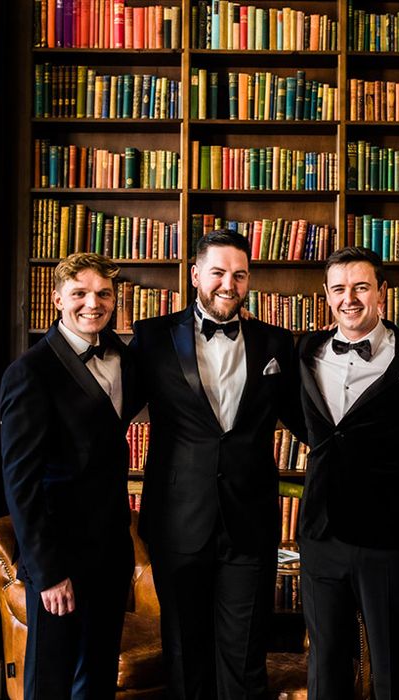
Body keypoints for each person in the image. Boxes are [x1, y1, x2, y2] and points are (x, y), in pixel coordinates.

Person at [130, 228, 303, 699]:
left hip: (250, 521)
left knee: (246, 655)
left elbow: (310, 423)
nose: (229, 283)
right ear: (194, 275)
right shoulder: (151, 338)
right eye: (219, 272)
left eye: (240, 274)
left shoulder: (276, 343)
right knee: (185, 655)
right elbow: (107, 410)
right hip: (177, 520)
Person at [296, 246, 399, 699]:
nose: (349, 298)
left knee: (390, 666)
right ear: (326, 295)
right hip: (321, 532)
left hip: (389, 536)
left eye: (361, 286)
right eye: (339, 288)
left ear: (382, 292)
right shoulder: (305, 352)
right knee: (326, 662)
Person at [0, 252, 136, 699]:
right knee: (51, 681)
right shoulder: (30, 372)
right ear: (57, 299)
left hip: (112, 552)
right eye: (79, 294)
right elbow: (22, 482)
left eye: (103, 294)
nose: (91, 304)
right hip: (60, 556)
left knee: (97, 678)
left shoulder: (125, 358)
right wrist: (49, 570)